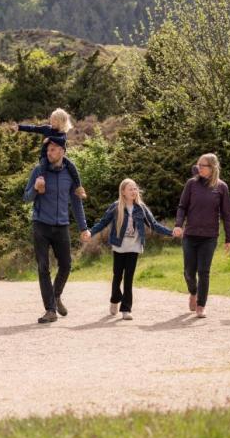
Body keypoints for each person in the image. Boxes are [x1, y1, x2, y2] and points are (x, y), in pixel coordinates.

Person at [87, 179, 176, 320]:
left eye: (135, 188)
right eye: (130, 189)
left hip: (134, 247)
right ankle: (115, 298)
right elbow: (103, 222)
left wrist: (171, 232)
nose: (134, 191)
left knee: (128, 278)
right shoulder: (116, 207)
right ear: (123, 192)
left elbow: (153, 224)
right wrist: (90, 233)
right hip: (119, 246)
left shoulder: (141, 208)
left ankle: (126, 309)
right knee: (117, 276)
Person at [23, 136, 90, 323]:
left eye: (53, 149)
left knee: (67, 264)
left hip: (62, 226)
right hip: (41, 225)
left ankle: (56, 295)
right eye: (48, 150)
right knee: (43, 267)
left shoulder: (70, 172)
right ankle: (50, 310)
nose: (49, 153)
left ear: (62, 151)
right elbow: (26, 197)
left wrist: (83, 227)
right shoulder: (39, 170)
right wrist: (35, 189)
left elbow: (77, 203)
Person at [173, 153, 230, 318]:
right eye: (198, 165)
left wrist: (229, 238)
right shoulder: (191, 184)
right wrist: (178, 225)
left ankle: (201, 305)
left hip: (209, 237)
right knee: (188, 271)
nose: (198, 168)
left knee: (203, 271)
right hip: (190, 235)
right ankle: (193, 292)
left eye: (202, 165)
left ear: (212, 168)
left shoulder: (221, 187)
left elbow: (227, 215)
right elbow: (182, 206)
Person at [18, 108, 87, 199]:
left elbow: (62, 141)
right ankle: (41, 184)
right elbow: (33, 128)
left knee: (71, 166)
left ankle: (79, 188)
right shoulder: (47, 128)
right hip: (46, 156)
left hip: (59, 157)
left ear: (60, 122)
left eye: (54, 120)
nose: (51, 121)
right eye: (51, 119)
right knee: (43, 165)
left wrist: (50, 139)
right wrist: (19, 127)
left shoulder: (62, 133)